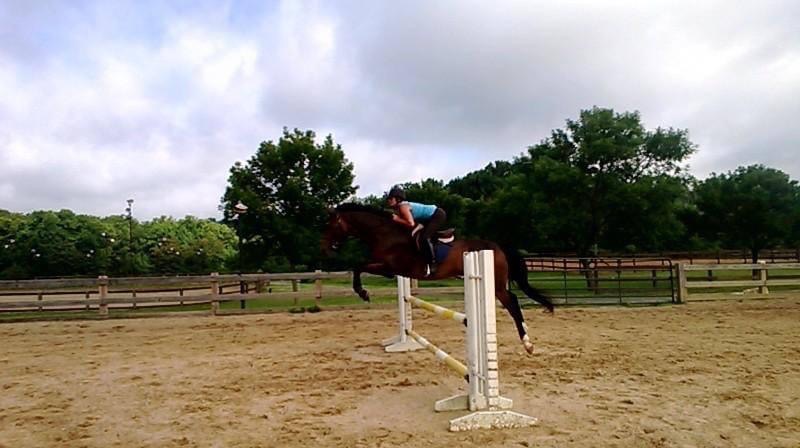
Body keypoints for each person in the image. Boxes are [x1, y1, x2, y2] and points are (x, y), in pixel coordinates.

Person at [386, 185, 447, 276]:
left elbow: (410, 223)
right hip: (426, 219)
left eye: (391, 198)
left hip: (437, 215)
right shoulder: (399, 209)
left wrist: (396, 219)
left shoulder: (403, 207)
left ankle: (433, 263)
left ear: (398, 199)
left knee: (424, 238)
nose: (389, 200)